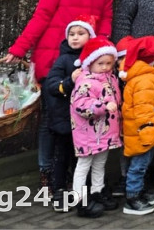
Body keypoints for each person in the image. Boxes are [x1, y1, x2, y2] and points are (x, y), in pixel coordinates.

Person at [6, 0, 115, 190]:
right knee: (50, 120)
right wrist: (20, 48)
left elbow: (106, 21)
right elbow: (42, 14)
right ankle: (46, 169)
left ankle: (70, 171)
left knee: (78, 117)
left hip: (84, 61)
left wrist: (101, 51)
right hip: (53, 56)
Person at [43, 15, 96, 211]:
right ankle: (59, 191)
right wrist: (69, 81)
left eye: (80, 33)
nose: (75, 37)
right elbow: (51, 85)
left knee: (84, 158)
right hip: (65, 120)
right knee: (62, 157)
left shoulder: (95, 59)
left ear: (90, 37)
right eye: (71, 34)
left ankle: (85, 191)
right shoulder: (63, 59)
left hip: (86, 121)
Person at [120, 36, 154, 216]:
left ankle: (140, 190)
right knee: (139, 165)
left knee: (143, 163)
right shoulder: (144, 80)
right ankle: (132, 198)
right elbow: (143, 109)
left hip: (145, 130)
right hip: (143, 131)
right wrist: (147, 130)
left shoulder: (146, 75)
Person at [70, 37, 122, 217]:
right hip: (88, 133)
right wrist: (102, 106)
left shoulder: (111, 79)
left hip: (104, 133)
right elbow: (81, 105)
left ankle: (97, 192)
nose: (105, 67)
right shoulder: (85, 81)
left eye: (109, 63)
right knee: (84, 164)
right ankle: (80, 199)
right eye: (101, 63)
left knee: (100, 163)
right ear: (90, 62)